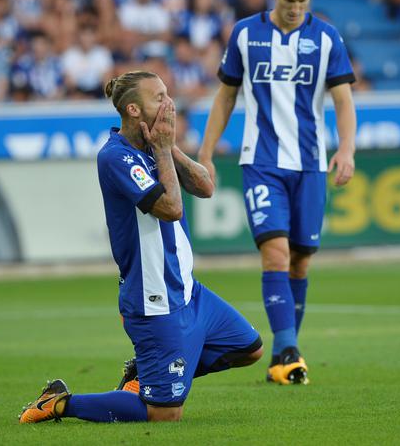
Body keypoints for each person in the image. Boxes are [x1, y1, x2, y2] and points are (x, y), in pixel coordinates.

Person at [18, 70, 263, 424]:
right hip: (154, 299)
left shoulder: (156, 146)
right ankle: (60, 402)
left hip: (189, 292)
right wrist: (163, 150)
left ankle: (146, 377)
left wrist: (168, 147)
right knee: (165, 415)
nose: (169, 104)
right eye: (159, 97)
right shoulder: (115, 157)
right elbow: (170, 209)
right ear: (133, 110)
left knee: (249, 349)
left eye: (168, 93)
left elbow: (206, 187)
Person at [197, 0, 357, 385]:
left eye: (303, 1)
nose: (295, 8)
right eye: (288, 0)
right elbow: (225, 97)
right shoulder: (247, 34)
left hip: (309, 164)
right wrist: (206, 153)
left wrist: (347, 149)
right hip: (262, 162)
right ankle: (287, 347)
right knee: (276, 254)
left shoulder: (326, 38)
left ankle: (284, 358)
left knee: (301, 260)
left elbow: (343, 100)